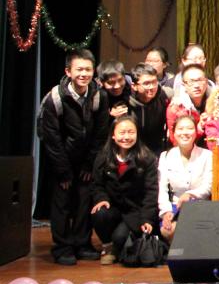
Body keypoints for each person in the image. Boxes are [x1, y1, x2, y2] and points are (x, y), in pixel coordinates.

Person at [37, 48, 110, 265]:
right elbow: (51, 138)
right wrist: (63, 171)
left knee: (84, 201)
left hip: (87, 159)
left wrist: (89, 164)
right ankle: (62, 247)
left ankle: (82, 243)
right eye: (79, 69)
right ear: (68, 72)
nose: (84, 74)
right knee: (62, 203)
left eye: (88, 69)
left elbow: (101, 133)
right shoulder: (55, 98)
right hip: (61, 160)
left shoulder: (99, 96)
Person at [90, 115, 158, 265]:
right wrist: (101, 199)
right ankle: (107, 246)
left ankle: (118, 246)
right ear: (113, 135)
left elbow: (151, 191)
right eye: (122, 132)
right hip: (113, 208)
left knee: (120, 237)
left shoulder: (146, 158)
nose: (126, 137)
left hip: (134, 211)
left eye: (131, 132)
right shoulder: (103, 157)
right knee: (100, 213)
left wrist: (147, 218)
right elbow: (97, 184)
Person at [157, 116, 213, 241]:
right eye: (180, 129)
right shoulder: (165, 156)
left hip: (199, 205)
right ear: (174, 133)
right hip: (175, 206)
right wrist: (165, 212)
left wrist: (190, 194)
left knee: (189, 229)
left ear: (196, 132)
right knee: (168, 230)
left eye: (189, 128)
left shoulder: (207, 155)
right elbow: (162, 188)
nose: (185, 132)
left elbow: (208, 186)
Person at [127, 63, 172, 156]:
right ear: (134, 86)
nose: (152, 87)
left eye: (154, 82)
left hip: (157, 149)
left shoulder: (163, 95)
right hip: (133, 151)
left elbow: (178, 95)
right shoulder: (127, 103)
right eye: (146, 83)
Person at [165, 63, 210, 145]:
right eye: (191, 81)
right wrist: (199, 128)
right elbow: (175, 141)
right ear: (184, 85)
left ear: (206, 82)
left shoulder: (216, 102)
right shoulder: (176, 108)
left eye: (200, 80)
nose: (196, 85)